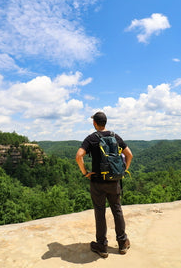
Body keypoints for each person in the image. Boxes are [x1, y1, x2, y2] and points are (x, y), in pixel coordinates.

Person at [75, 111, 133, 258]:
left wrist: (85, 172)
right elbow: (129, 155)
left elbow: (78, 156)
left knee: (100, 212)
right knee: (117, 210)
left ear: (95, 123)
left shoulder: (91, 138)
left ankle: (102, 246)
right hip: (114, 181)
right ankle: (122, 243)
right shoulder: (115, 136)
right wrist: (123, 170)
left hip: (97, 183)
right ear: (105, 122)